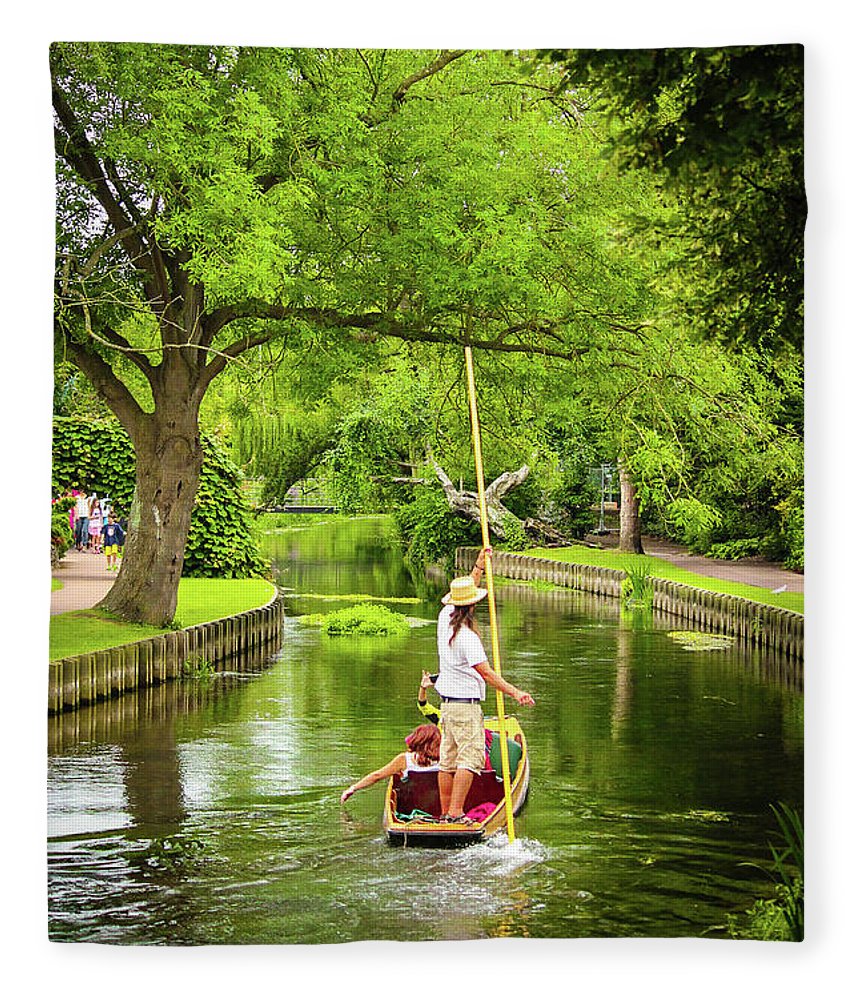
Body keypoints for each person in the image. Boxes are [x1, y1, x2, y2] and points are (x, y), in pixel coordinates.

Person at [435, 547, 535, 824]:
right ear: (473, 605)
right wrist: (517, 693)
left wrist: (478, 568)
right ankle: (456, 813)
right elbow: (487, 675)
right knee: (470, 759)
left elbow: (465, 592)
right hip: (466, 708)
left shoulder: (445, 621)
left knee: (448, 761)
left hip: (447, 706)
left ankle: (445, 814)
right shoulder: (467, 638)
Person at [340, 724, 440, 804]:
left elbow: (376, 776)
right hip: (437, 805)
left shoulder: (404, 759)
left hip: (409, 807)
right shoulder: (447, 760)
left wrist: (353, 788)